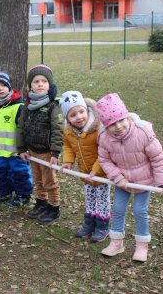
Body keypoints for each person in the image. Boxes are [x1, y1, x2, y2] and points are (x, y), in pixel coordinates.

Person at [96, 93, 163, 262]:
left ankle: (142, 245)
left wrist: (162, 181)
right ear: (106, 126)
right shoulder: (105, 138)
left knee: (139, 211)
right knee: (118, 209)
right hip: (122, 182)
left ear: (127, 116)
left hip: (145, 181)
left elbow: (157, 158)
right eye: (112, 124)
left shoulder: (143, 133)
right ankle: (116, 243)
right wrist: (117, 177)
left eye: (121, 120)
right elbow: (104, 160)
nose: (118, 126)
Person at [59, 91, 110, 241]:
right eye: (73, 115)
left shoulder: (98, 129)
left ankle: (102, 227)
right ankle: (89, 224)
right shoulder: (68, 131)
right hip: (85, 173)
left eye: (81, 111)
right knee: (89, 199)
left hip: (101, 174)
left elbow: (104, 152)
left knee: (102, 200)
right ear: (67, 118)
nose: (79, 117)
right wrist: (68, 161)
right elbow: (68, 147)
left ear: (87, 110)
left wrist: (96, 170)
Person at [16, 65, 62, 224]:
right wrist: (21, 149)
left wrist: (55, 153)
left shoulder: (53, 106)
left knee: (50, 181)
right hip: (32, 152)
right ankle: (41, 202)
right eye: (36, 81)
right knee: (38, 180)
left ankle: (54, 207)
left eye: (44, 81)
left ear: (50, 85)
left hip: (47, 153)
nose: (40, 84)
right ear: (31, 86)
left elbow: (58, 129)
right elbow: (20, 127)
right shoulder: (27, 107)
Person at [0, 71, 33, 207]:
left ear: (10, 87)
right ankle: (5, 193)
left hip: (16, 151)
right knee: (1, 173)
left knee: (19, 173)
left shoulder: (18, 106)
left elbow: (24, 129)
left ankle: (23, 196)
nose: (1, 88)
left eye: (4, 85)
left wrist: (24, 148)